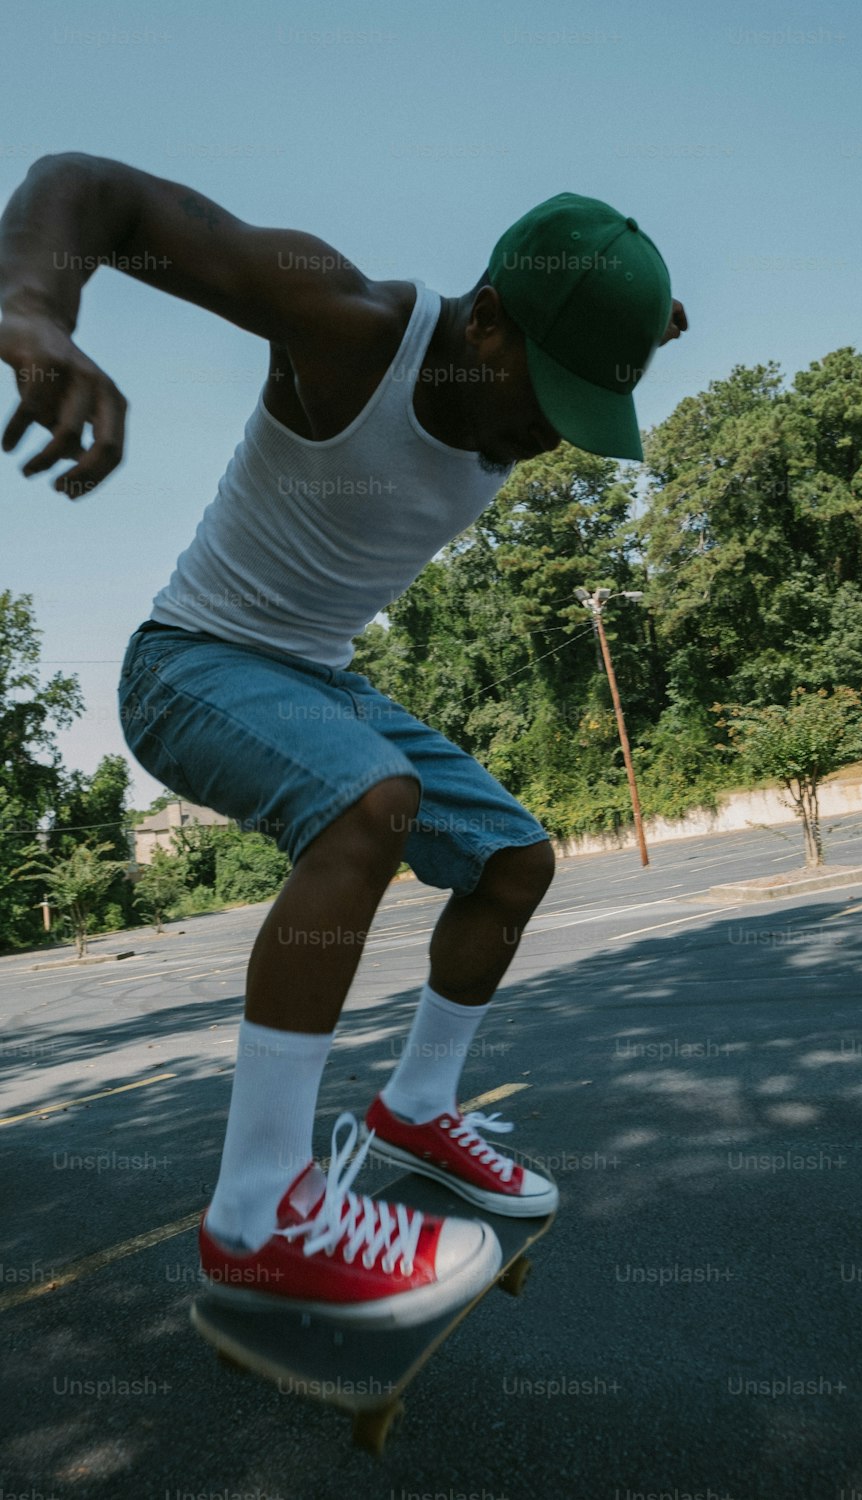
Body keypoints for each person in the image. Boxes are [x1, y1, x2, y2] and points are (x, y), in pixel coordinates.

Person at [0, 154, 686, 1328]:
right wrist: (28, 311)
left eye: (574, 420)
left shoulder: (523, 374)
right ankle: (260, 1213)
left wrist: (644, 320)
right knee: (375, 801)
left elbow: (608, 333)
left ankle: (414, 1109)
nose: (540, 438)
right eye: (539, 401)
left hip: (320, 679)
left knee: (515, 861)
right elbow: (87, 190)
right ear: (481, 321)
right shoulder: (345, 325)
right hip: (190, 666)